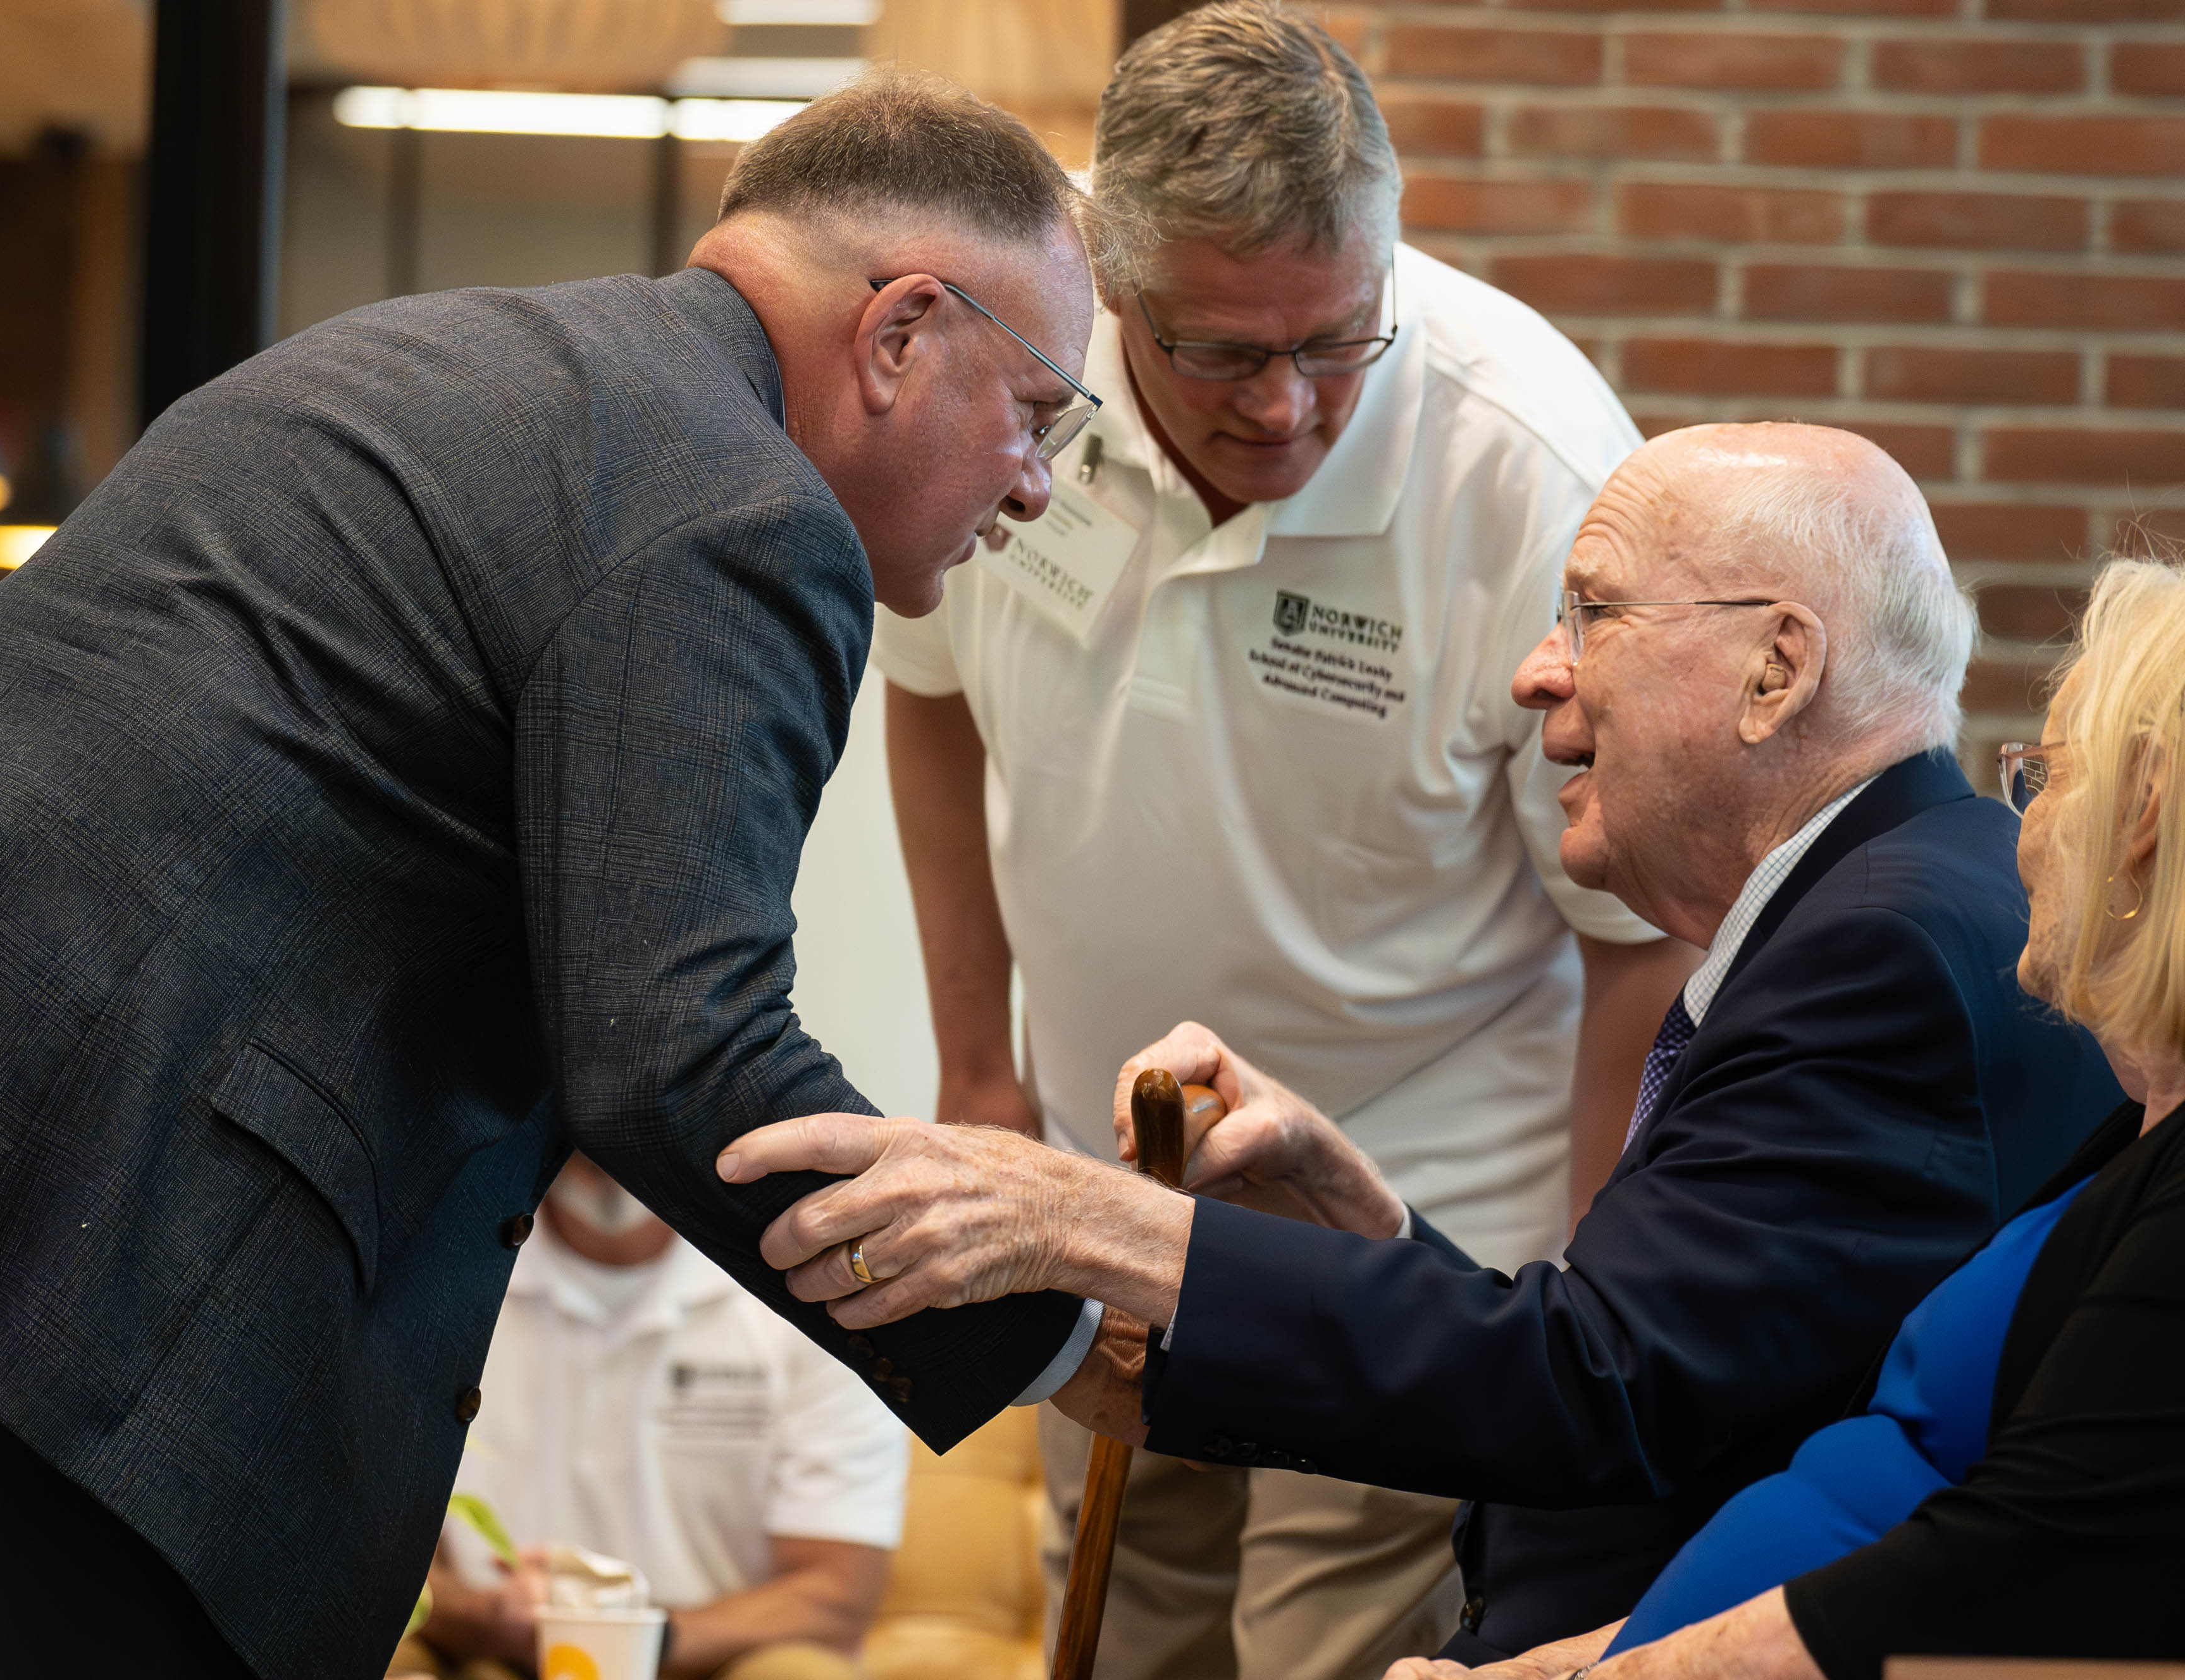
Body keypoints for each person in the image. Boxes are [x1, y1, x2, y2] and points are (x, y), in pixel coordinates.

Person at [0, 73, 1116, 1679]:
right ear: (902, 329)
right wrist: (1055, 1321)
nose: (1036, 485)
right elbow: (677, 1054)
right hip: (104, 1211)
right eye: (1039, 411)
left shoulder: (448, 352)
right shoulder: (742, 507)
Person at [717, 423, 2127, 1661]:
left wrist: (1101, 1223)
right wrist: (1361, 1217)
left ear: (1777, 667)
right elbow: (1684, 1362)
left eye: (1592, 613)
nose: (1534, 674)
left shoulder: (1883, 948)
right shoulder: (1877, 904)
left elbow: (1599, 1392)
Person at [870, 8, 1691, 1672]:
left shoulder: (1526, 468)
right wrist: (978, 1069)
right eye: (1225, 353)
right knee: (1125, 1638)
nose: (1290, 403)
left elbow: (1638, 937)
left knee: (1334, 1658)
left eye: (1338, 339)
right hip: (1115, 1189)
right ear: (1110, 290)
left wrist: (1584, 1300)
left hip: (1417, 1221)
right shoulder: (1020, 361)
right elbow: (930, 692)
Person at [1382, 555, 2185, 1680]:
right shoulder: (2140, 1133)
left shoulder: (1878, 944)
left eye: (2044, 776)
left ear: (2143, 818)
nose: (2020, 831)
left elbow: (2021, 1567)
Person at [408, 1155, 905, 1680]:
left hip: (720, 1658)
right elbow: (374, 1559)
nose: (605, 1119)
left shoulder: (816, 1299)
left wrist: (633, 1638)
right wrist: (485, 1617)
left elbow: (835, 1597)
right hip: (494, 1653)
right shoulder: (434, 1287)